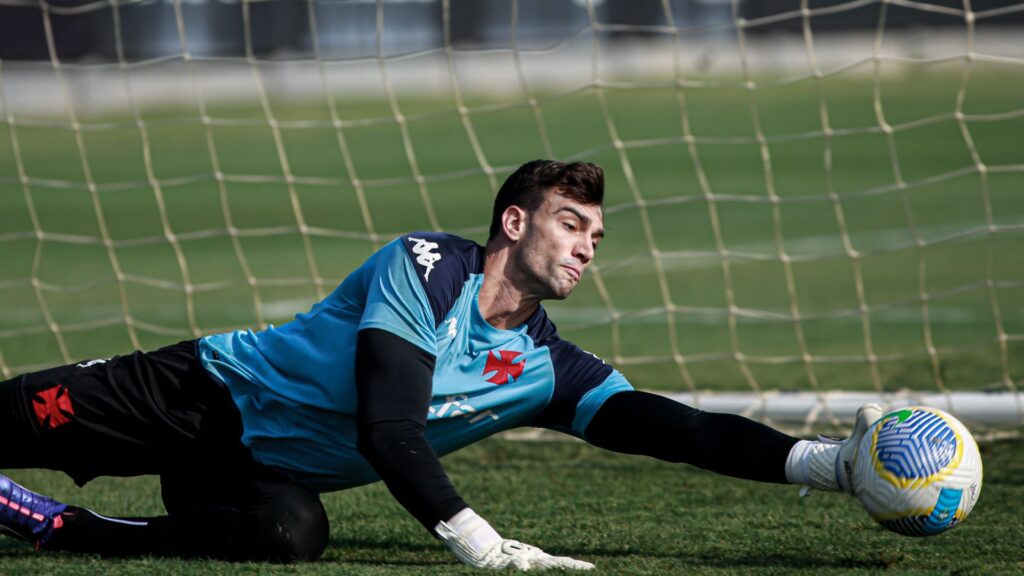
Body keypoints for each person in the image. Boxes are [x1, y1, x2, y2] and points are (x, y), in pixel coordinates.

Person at [0, 160, 882, 569]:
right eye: (572, 224)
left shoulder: (546, 365)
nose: (588, 247)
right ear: (514, 224)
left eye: (597, 236)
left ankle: (65, 529)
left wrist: (824, 466)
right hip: (198, 395)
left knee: (291, 537)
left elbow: (675, 428)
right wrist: (482, 547)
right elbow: (390, 430)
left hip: (248, 472)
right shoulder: (426, 266)